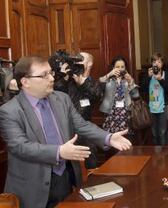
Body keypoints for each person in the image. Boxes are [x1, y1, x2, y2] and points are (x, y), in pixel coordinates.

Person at [0, 56, 132, 208]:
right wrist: (59, 152)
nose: (51, 78)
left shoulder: (62, 99)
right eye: (44, 75)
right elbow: (20, 146)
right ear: (25, 82)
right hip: (31, 188)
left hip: (64, 179)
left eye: (51, 73)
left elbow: (81, 125)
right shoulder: (9, 111)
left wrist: (108, 137)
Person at [51, 52, 103, 168]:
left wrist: (83, 83)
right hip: (65, 131)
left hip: (85, 132)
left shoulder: (92, 82)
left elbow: (97, 96)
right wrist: (62, 78)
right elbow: (55, 95)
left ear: (89, 64)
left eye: (81, 59)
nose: (77, 62)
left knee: (90, 165)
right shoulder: (67, 80)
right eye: (76, 59)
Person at [141, 53, 168, 145]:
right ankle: (156, 155)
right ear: (151, 63)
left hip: (163, 107)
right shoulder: (148, 74)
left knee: (163, 132)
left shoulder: (167, 74)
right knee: (154, 133)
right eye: (154, 61)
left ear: (162, 64)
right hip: (151, 108)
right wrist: (148, 77)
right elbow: (142, 89)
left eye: (159, 62)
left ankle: (164, 156)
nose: (156, 64)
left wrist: (160, 79)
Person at [99, 56, 137, 136]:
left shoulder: (128, 79)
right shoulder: (108, 79)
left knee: (125, 137)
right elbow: (98, 84)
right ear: (113, 67)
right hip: (111, 112)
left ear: (125, 68)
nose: (120, 69)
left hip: (125, 112)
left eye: (122, 67)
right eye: (117, 67)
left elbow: (136, 95)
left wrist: (130, 82)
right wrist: (109, 74)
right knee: (111, 138)